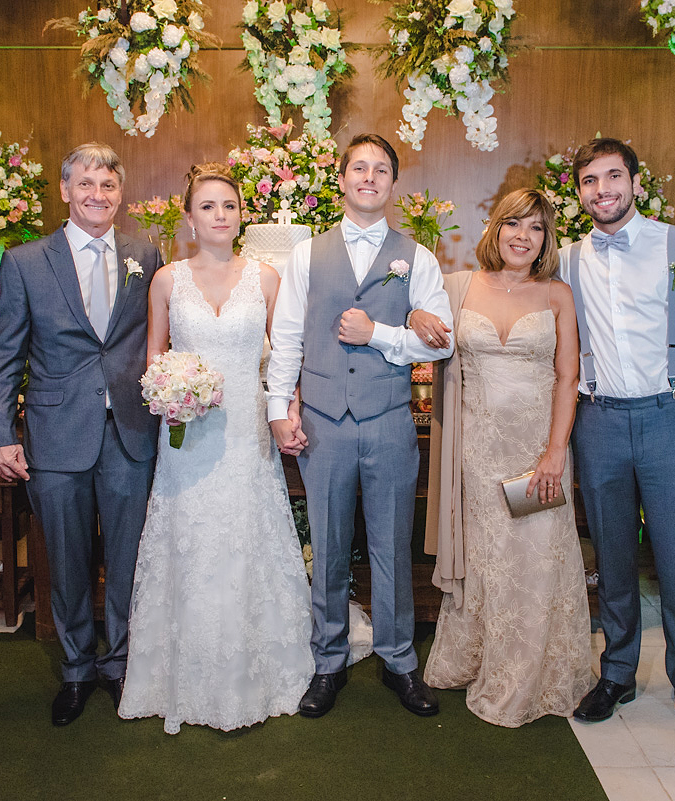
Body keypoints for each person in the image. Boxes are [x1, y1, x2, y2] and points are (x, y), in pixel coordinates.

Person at [118, 164, 313, 734]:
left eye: (228, 205)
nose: (220, 215)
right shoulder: (166, 281)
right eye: (207, 206)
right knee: (191, 537)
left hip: (248, 428)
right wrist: (170, 394)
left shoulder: (267, 278)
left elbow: (285, 358)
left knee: (248, 533)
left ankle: (262, 665)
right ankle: (181, 670)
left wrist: (289, 409)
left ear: (240, 214)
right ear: (189, 217)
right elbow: (154, 357)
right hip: (187, 432)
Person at [266, 133, 454, 718]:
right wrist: (278, 409)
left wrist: (381, 335)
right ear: (342, 179)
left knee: (392, 543)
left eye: (381, 170)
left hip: (390, 420)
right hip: (322, 420)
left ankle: (400, 660)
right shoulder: (306, 254)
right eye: (359, 168)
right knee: (326, 545)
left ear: (393, 184)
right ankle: (328, 660)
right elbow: (289, 337)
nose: (369, 177)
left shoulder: (417, 257)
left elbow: (441, 340)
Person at [560, 138, 675, 747]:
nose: (602, 189)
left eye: (613, 177)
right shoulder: (565, 259)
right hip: (599, 422)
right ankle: (617, 674)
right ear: (579, 190)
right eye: (590, 180)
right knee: (611, 556)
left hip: (669, 418)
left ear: (635, 183)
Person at [0, 142, 161, 726]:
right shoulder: (26, 261)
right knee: (67, 558)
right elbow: (4, 356)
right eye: (86, 184)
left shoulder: (145, 254)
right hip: (56, 433)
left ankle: (120, 664)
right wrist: (0, 434)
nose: (97, 195)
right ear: (64, 191)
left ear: (120, 193)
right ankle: (77, 670)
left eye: (108, 185)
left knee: (128, 555)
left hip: (131, 430)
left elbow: (155, 339)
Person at [417, 189, 594, 727]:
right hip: (475, 453)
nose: (524, 236)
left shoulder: (557, 294)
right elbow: (419, 326)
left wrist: (555, 453)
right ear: (496, 228)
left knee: (536, 561)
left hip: (536, 452)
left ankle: (529, 674)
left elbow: (569, 378)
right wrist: (416, 314)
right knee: (489, 561)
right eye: (515, 223)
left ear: (546, 240)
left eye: (537, 228)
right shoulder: (459, 286)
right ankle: (482, 657)